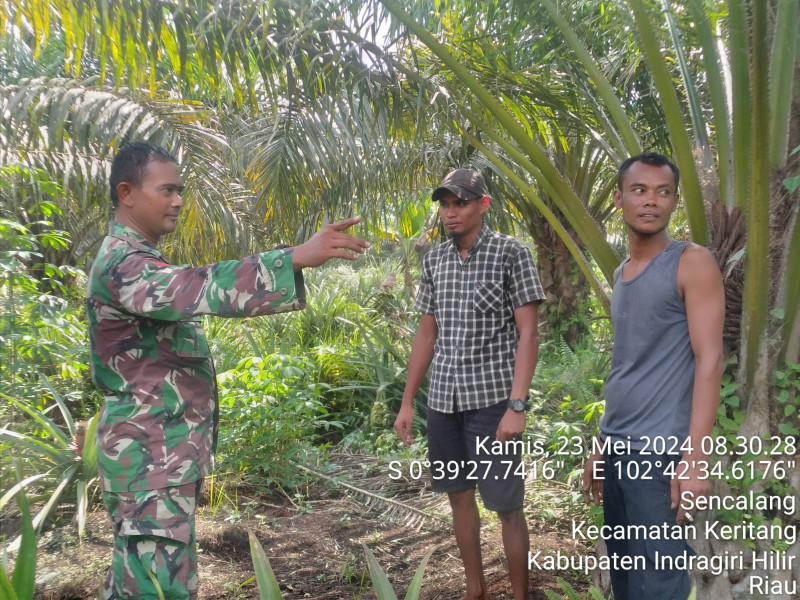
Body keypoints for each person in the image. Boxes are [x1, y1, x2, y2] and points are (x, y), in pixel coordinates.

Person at [87, 141, 369, 600]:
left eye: (181, 190)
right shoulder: (123, 263)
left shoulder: (137, 257)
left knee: (146, 584)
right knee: (159, 590)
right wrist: (291, 257)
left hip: (158, 458)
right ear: (127, 193)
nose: (179, 201)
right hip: (149, 460)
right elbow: (189, 288)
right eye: (168, 190)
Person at [393, 168, 545, 600]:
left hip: (492, 402)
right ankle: (474, 590)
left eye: (460, 202)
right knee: (458, 496)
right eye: (444, 204)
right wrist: (407, 403)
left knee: (507, 506)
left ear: (483, 205)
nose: (450, 212)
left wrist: (517, 406)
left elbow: (528, 334)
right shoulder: (435, 259)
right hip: (444, 401)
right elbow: (427, 333)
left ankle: (519, 596)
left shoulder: (509, 253)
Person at [582, 152, 724, 599]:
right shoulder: (621, 273)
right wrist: (602, 444)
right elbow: (625, 368)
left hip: (660, 453)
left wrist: (696, 457)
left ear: (674, 201)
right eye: (639, 190)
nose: (651, 201)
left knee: (658, 583)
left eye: (663, 192)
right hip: (620, 448)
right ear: (619, 197)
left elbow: (710, 359)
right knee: (626, 578)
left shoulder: (692, 262)